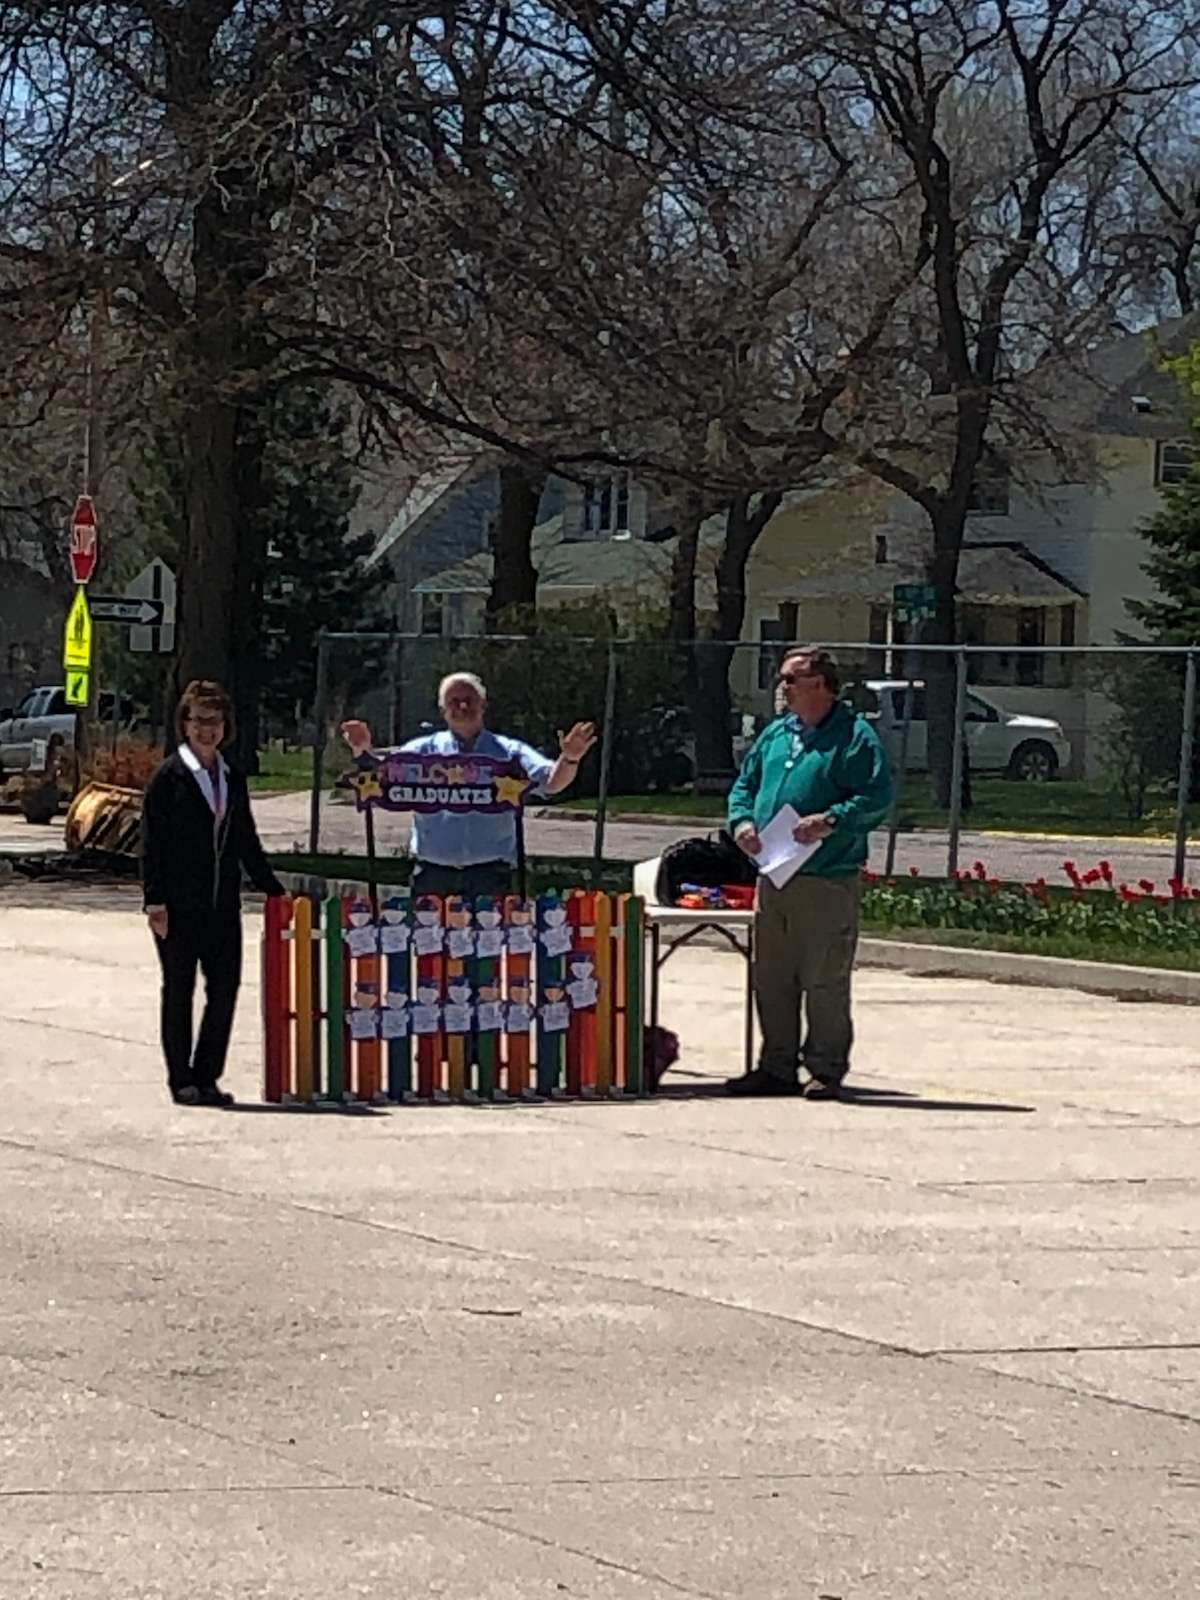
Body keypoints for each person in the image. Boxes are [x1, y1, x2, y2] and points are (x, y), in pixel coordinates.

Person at [727, 645, 892, 1099]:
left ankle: (825, 1068)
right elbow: (745, 784)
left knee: (823, 977)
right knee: (772, 976)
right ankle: (776, 1067)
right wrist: (742, 822)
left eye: (790, 679)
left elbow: (877, 797)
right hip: (773, 875)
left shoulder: (854, 737)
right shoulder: (778, 734)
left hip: (825, 877)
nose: (782, 688)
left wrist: (831, 820)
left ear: (819, 685)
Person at [142, 679, 285, 1107]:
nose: (208, 729)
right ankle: (180, 1079)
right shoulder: (169, 777)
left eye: (215, 720)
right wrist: (155, 900)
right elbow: (152, 843)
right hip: (178, 907)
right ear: (184, 724)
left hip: (223, 906)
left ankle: (207, 1076)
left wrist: (274, 891)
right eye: (199, 720)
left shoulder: (231, 776)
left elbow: (246, 841)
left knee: (224, 989)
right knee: (179, 989)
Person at [341, 670, 596, 901]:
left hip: (492, 875)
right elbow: (379, 780)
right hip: (433, 875)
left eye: (470, 700)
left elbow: (551, 782)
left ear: (483, 705)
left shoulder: (509, 752)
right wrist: (363, 751)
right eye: (454, 701)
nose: (462, 706)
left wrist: (570, 758)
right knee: (432, 951)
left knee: (490, 951)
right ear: (442, 710)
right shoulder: (419, 752)